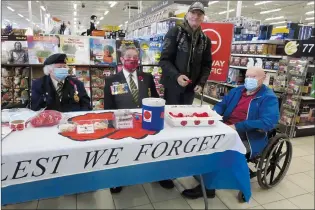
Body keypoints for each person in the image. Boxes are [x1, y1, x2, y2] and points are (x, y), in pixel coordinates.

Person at [181, 67, 280, 199]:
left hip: (249, 136)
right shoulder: (237, 91)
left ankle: (208, 188)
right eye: (247, 76)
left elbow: (268, 122)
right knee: (200, 139)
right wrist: (214, 113)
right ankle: (203, 171)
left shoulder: (268, 98)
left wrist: (239, 126)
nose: (249, 79)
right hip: (226, 128)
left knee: (219, 150)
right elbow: (222, 104)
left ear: (263, 78)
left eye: (254, 77)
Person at [103, 46, 175, 193]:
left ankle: (160, 174)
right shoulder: (112, 80)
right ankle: (118, 178)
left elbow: (155, 98)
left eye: (135, 57)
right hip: (124, 122)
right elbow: (108, 107)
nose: (132, 59)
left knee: (155, 148)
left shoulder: (147, 77)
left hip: (147, 120)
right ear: (122, 59)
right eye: (128, 56)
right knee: (123, 151)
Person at [159, 1, 212, 105]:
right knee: (170, 117)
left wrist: (201, 83)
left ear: (203, 18)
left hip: (190, 89)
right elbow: (164, 60)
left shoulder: (205, 40)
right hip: (172, 87)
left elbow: (207, 65)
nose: (196, 17)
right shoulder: (175, 32)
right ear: (187, 15)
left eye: (199, 14)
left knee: (186, 117)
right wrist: (177, 76)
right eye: (193, 13)